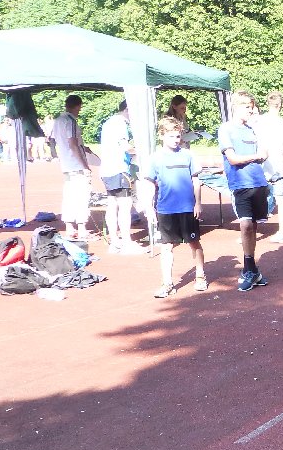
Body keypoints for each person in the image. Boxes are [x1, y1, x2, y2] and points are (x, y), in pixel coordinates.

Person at [142, 117, 208, 298]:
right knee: (166, 246)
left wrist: (198, 203)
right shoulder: (155, 158)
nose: (175, 140)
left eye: (178, 136)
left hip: (187, 208)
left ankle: (200, 276)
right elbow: (149, 183)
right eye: (171, 136)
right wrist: (149, 207)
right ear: (162, 136)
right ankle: (167, 283)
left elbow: (196, 181)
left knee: (194, 242)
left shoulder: (187, 155)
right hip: (166, 209)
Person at [218, 90, 271, 291]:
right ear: (236, 107)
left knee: (253, 226)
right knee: (246, 225)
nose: (250, 110)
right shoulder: (226, 129)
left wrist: (262, 154)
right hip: (240, 184)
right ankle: (249, 269)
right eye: (247, 107)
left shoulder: (252, 130)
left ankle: (252, 269)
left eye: (251, 107)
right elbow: (232, 159)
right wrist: (256, 156)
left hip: (258, 183)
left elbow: (263, 153)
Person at [51, 95, 95, 241]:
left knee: (69, 196)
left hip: (66, 164)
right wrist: (85, 166)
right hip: (76, 165)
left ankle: (70, 227)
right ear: (77, 106)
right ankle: (82, 229)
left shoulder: (58, 120)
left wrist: (83, 148)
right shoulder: (70, 121)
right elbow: (72, 144)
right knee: (82, 196)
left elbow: (57, 141)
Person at [99, 100, 139, 253]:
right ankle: (126, 241)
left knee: (112, 204)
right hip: (119, 169)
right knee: (125, 205)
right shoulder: (120, 123)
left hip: (107, 169)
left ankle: (115, 241)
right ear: (127, 109)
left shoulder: (109, 122)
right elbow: (125, 147)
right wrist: (142, 152)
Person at [256, 91, 283, 243]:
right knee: (281, 199)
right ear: (280, 105)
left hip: (261, 165)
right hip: (279, 166)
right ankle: (282, 233)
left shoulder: (259, 122)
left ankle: (250, 232)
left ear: (268, 104)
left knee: (255, 199)